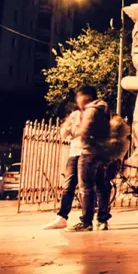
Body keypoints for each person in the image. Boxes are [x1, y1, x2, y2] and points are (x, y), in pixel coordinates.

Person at [43, 93, 88, 230]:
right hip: (74, 153)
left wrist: (81, 128)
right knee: (68, 187)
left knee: (86, 188)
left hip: (87, 154)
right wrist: (69, 126)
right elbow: (64, 134)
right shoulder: (74, 116)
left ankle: (90, 219)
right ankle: (62, 217)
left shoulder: (93, 115)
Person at [69, 86, 111, 232]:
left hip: (89, 152)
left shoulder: (91, 111)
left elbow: (84, 130)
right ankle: (102, 220)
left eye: (78, 97)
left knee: (86, 188)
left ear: (85, 97)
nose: (77, 101)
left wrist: (74, 131)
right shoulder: (103, 109)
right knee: (101, 186)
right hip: (102, 152)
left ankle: (86, 222)